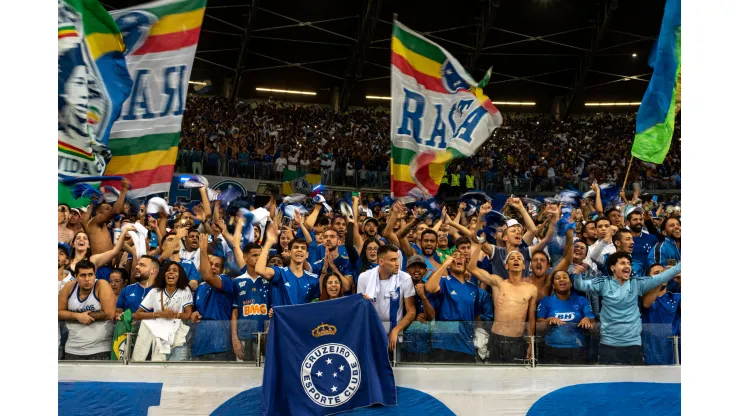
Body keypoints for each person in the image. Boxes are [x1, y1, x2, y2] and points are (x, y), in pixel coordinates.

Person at [573, 252, 682, 365]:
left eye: (629, 263)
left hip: (633, 344)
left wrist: (680, 265)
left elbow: (661, 278)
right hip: (608, 343)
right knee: (610, 380)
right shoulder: (603, 282)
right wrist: (577, 274)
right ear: (613, 268)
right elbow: (580, 285)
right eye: (622, 263)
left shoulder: (637, 283)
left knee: (634, 381)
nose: (627, 266)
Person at [467, 247, 537, 363]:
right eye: (512, 258)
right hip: (496, 338)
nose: (516, 260)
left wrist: (531, 343)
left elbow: (531, 318)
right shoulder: (497, 283)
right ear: (506, 266)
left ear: (524, 266)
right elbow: (471, 268)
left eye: (519, 258)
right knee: (494, 377)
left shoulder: (531, 289)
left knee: (515, 377)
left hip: (517, 340)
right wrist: (479, 244)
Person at [357, 244, 416, 353]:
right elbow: (359, 310)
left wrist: (396, 330)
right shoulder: (364, 278)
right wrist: (363, 303)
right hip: (371, 332)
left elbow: (411, 310)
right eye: (393, 260)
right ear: (381, 262)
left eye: (397, 259)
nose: (397, 263)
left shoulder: (405, 278)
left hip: (394, 335)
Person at [425, 250, 481, 363]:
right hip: (444, 343)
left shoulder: (473, 288)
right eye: (454, 256)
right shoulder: (444, 281)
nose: (458, 258)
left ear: (466, 263)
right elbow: (430, 288)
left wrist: (477, 336)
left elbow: (476, 316)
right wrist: (445, 264)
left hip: (467, 345)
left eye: (462, 257)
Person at [132, 262, 194, 361]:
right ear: (163, 274)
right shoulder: (154, 292)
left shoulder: (185, 290)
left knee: (177, 371)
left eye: (175, 271)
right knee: (159, 370)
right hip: (158, 337)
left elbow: (188, 314)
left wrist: (173, 315)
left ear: (180, 275)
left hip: (177, 338)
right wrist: (159, 314)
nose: (171, 273)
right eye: (168, 270)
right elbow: (137, 314)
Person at [191, 235, 237, 361]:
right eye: (210, 264)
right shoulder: (200, 288)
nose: (213, 267)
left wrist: (203, 250)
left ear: (222, 270)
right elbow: (195, 312)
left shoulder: (226, 281)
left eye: (217, 265)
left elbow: (208, 276)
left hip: (220, 345)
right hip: (199, 346)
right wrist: (194, 314)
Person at [58, 260, 116, 360]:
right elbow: (58, 312)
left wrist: (85, 316)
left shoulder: (101, 284)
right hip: (72, 348)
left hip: (99, 349)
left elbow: (109, 314)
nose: (87, 279)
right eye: (83, 275)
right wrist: (77, 316)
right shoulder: (69, 287)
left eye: (90, 275)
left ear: (95, 275)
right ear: (75, 276)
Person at [536, 270, 595, 364]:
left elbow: (593, 322)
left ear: (571, 283)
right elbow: (538, 326)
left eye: (565, 277)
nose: (562, 280)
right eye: (558, 278)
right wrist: (548, 320)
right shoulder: (546, 301)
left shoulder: (582, 300)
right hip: (551, 349)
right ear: (553, 285)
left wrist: (587, 319)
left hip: (577, 349)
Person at [255, 222, 320, 306]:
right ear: (289, 252)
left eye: (303, 248)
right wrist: (268, 242)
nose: (299, 250)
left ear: (307, 254)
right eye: (296, 247)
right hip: (282, 319)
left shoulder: (313, 279)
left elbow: (315, 306)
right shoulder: (280, 273)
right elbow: (259, 269)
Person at [231, 241, 271, 362]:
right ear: (245, 258)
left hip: (265, 337)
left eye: (260, 255)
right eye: (254, 255)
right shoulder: (237, 281)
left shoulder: (269, 280)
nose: (258, 258)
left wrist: (269, 333)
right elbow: (235, 312)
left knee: (263, 375)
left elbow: (273, 310)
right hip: (244, 337)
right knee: (242, 377)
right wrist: (234, 338)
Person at [640, 263, 681, 365]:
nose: (663, 276)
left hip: (674, 350)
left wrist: (681, 282)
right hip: (651, 351)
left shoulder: (675, 298)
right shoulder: (643, 298)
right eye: (656, 273)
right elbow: (646, 304)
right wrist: (660, 279)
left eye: (664, 273)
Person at [400, 255, 436, 362]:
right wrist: (414, 317)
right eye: (413, 266)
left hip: (425, 345)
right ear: (407, 270)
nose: (417, 270)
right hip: (403, 343)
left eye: (420, 267)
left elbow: (431, 316)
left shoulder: (429, 288)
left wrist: (423, 297)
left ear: (425, 271)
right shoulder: (400, 287)